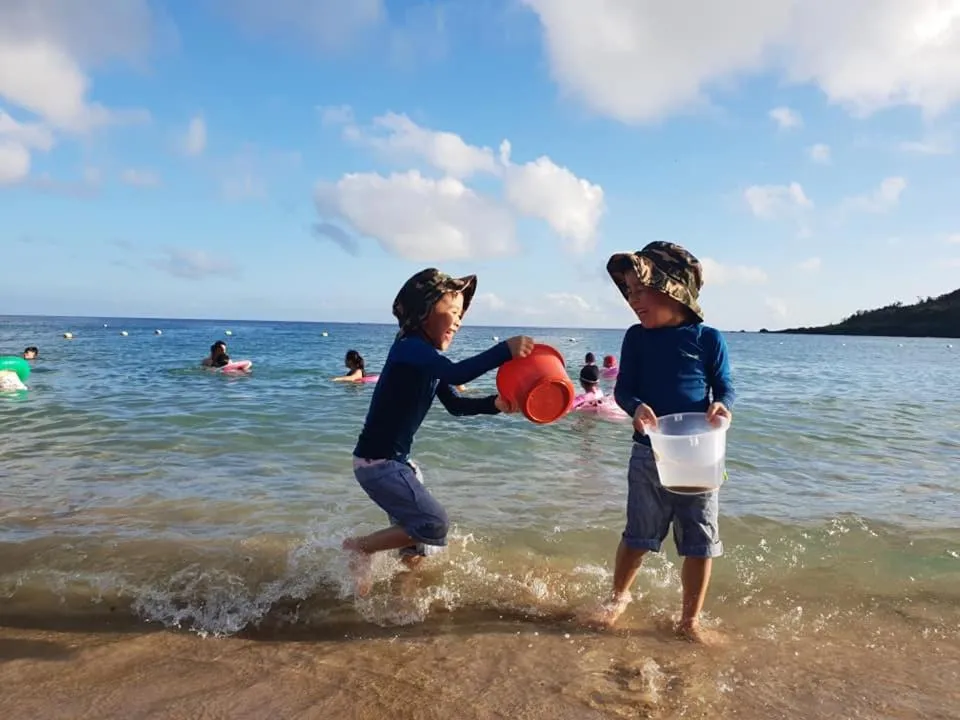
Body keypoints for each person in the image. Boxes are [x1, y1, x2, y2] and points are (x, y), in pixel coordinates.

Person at [342, 268, 534, 595]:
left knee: (417, 543)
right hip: (378, 465)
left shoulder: (427, 360)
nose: (458, 321)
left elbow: (456, 405)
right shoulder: (409, 348)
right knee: (433, 524)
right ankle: (360, 548)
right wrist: (504, 350)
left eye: (461, 315)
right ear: (424, 310)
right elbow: (459, 371)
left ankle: (403, 597)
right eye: (453, 312)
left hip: (396, 464)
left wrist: (495, 404)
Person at [591, 241, 735, 644]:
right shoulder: (636, 338)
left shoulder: (708, 339)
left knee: (701, 541)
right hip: (648, 452)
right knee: (638, 535)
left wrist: (723, 406)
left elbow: (725, 388)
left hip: (700, 455)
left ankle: (690, 620)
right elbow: (623, 390)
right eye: (629, 291)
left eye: (641, 290)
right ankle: (617, 599)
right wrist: (635, 409)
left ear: (673, 289)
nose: (633, 299)